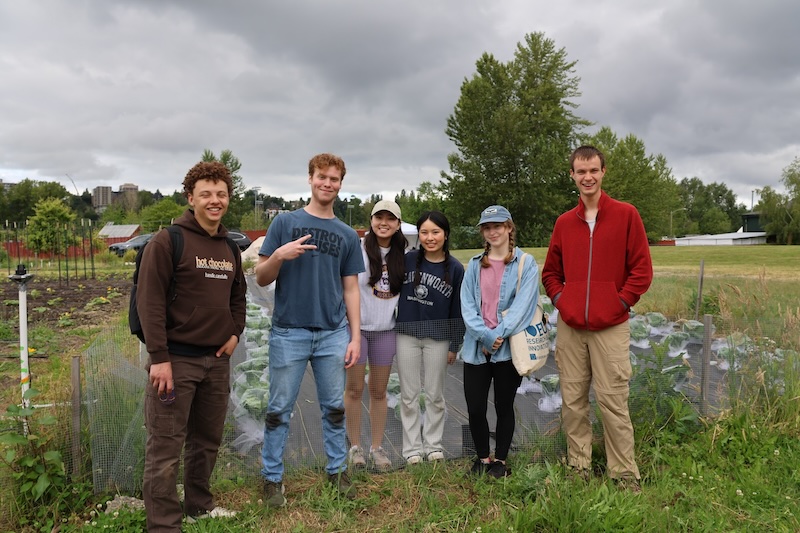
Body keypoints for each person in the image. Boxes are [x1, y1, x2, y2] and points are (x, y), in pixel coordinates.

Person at [138, 161, 247, 531]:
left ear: (228, 198)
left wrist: (235, 334)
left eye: (221, 194)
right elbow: (150, 303)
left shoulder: (230, 248)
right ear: (191, 198)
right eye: (206, 194)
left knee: (207, 441)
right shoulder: (168, 241)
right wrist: (159, 358)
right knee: (166, 447)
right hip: (175, 363)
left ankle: (199, 505)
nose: (215, 201)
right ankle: (164, 524)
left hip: (216, 362)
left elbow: (238, 298)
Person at [256, 153, 364, 507]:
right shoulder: (285, 223)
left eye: (334, 179)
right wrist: (279, 255)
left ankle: (337, 471)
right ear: (310, 178)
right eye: (322, 177)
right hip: (289, 332)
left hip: (332, 334)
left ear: (340, 184)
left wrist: (355, 336)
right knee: (278, 410)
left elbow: (351, 288)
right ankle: (272, 479)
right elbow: (261, 276)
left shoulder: (347, 235)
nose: (327, 183)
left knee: (334, 408)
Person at [542, 145, 653, 491]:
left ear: (603, 172)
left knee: (613, 401)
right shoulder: (564, 223)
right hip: (571, 328)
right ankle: (579, 466)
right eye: (581, 171)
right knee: (573, 402)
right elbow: (551, 273)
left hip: (611, 327)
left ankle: (624, 474)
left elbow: (641, 270)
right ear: (572, 175)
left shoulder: (626, 215)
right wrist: (564, 302)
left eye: (593, 170)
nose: (587, 177)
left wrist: (619, 302)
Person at [460, 206, 538, 478]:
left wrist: (496, 337)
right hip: (476, 348)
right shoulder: (474, 265)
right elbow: (467, 305)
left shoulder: (525, 263)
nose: (492, 232)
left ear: (508, 228)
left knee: (504, 406)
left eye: (497, 226)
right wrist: (484, 335)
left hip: (508, 349)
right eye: (487, 227)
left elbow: (523, 307)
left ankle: (501, 461)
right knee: (475, 407)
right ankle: (483, 458)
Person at [395, 211, 465, 464]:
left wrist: (455, 344)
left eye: (435, 232)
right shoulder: (408, 260)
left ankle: (433, 446)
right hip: (407, 334)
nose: (430, 237)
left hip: (439, 337)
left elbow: (458, 310)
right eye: (424, 232)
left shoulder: (455, 268)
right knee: (409, 395)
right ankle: (412, 449)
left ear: (445, 234)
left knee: (435, 394)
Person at [344, 200, 408, 471]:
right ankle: (355, 447)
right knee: (354, 389)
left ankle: (377, 448)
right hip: (357, 332)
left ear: (398, 224)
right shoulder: (356, 250)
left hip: (385, 332)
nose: (384, 223)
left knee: (379, 391)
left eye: (390, 218)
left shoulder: (404, 255)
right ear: (371, 220)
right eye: (379, 217)